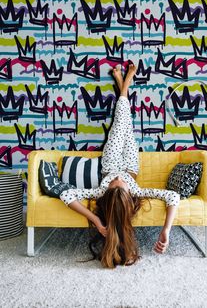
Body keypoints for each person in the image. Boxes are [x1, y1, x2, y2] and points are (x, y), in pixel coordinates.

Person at [60, 64, 180, 268]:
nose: (119, 179)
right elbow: (173, 196)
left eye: (113, 184)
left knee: (119, 124)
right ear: (128, 195)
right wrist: (166, 230)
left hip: (111, 160)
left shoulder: (100, 192)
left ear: (107, 193)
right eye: (122, 183)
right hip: (131, 164)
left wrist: (96, 221)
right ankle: (123, 84)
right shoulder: (136, 190)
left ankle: (124, 83)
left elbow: (66, 195)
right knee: (127, 125)